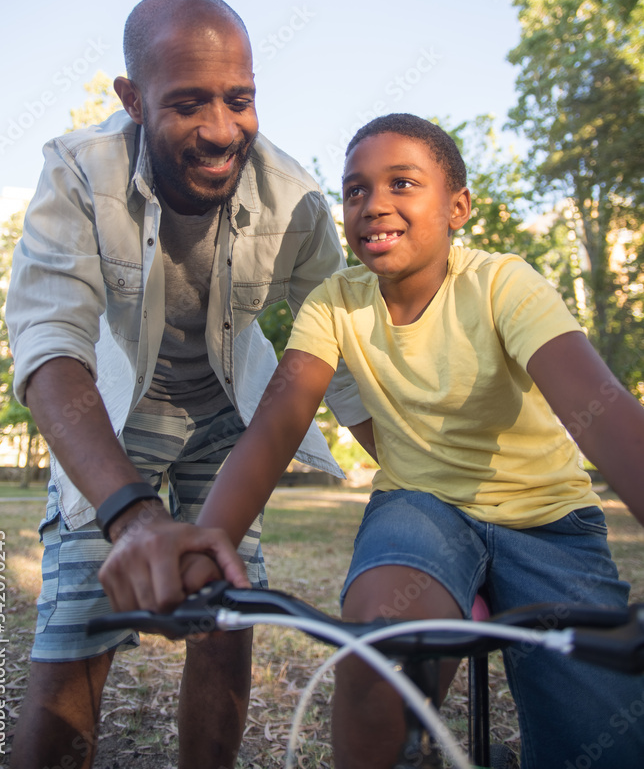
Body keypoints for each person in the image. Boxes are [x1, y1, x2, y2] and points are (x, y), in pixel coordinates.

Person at [191, 113, 644, 769]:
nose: (374, 204)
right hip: (420, 507)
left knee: (599, 734)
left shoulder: (503, 284)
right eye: (354, 190)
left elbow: (598, 411)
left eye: (402, 183)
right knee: (379, 642)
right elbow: (277, 423)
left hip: (547, 520)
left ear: (457, 206)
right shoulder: (334, 303)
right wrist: (212, 536)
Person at [5, 0, 371, 769]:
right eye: (188, 103)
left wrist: (417, 472)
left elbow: (342, 346)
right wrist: (130, 516)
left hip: (227, 416)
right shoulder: (75, 174)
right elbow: (48, 347)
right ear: (133, 99)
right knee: (77, 620)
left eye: (239, 100)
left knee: (224, 608)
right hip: (115, 416)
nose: (220, 129)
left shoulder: (296, 199)